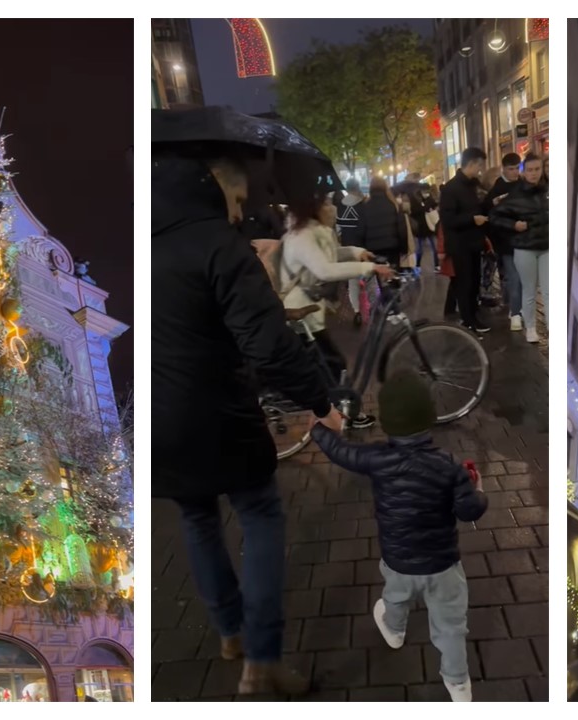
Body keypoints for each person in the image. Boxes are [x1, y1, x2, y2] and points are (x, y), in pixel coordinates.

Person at [151, 147, 334, 696]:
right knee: (259, 514)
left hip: (161, 421)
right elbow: (269, 347)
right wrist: (321, 403)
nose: (237, 212)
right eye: (234, 198)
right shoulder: (220, 247)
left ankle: (229, 632)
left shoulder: (152, 242)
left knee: (198, 519)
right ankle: (263, 659)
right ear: (213, 188)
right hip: (220, 411)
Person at [309, 370, 487, 701]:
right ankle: (458, 684)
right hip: (443, 565)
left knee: (395, 597)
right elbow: (469, 511)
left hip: (399, 560)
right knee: (451, 626)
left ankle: (393, 630)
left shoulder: (377, 459)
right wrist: (478, 489)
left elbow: (341, 452)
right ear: (430, 418)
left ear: (388, 423)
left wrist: (319, 430)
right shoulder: (448, 465)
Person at [280, 186, 395, 427]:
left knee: (329, 364)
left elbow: (328, 257)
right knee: (331, 364)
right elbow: (325, 269)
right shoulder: (303, 235)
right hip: (301, 312)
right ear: (313, 209)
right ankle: (345, 414)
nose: (333, 208)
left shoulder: (311, 231)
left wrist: (356, 252)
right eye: (326, 204)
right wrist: (369, 268)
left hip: (308, 310)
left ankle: (344, 411)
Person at [489, 152, 548, 343]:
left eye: (537, 169)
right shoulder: (514, 194)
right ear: (524, 172)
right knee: (527, 288)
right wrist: (514, 226)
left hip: (547, 246)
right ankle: (528, 325)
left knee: (548, 290)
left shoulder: (548, 190)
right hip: (523, 247)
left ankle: (551, 325)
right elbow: (495, 216)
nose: (534, 173)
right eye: (530, 170)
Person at [439, 147, 491, 333]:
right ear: (471, 163)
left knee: (474, 282)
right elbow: (447, 220)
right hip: (460, 245)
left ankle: (473, 314)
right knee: (464, 283)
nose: (480, 169)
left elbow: (480, 206)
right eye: (479, 165)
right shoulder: (451, 188)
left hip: (475, 242)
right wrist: (472, 219)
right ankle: (468, 319)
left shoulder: (474, 185)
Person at [484, 153, 523, 330]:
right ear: (504, 169)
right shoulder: (497, 190)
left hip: (524, 240)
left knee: (520, 278)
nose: (515, 172)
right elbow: (491, 215)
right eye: (511, 169)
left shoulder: (525, 185)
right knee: (512, 277)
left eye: (517, 168)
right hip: (505, 241)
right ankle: (515, 310)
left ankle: (514, 306)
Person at [335, 178, 367, 325]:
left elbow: (338, 230)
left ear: (346, 189)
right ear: (358, 187)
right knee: (370, 278)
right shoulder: (363, 205)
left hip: (348, 249)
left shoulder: (339, 207)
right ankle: (376, 307)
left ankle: (356, 311)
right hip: (364, 248)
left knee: (352, 281)